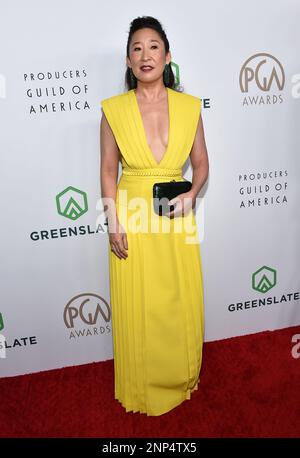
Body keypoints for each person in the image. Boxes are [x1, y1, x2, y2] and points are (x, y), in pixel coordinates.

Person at [100, 16, 209, 416]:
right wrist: (112, 220)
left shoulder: (189, 107)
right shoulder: (113, 111)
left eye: (153, 46)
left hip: (177, 213)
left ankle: (182, 374)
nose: (145, 55)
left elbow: (201, 164)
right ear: (128, 61)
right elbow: (108, 170)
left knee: (178, 297)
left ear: (167, 55)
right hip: (131, 213)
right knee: (139, 301)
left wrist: (193, 194)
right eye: (137, 48)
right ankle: (142, 383)